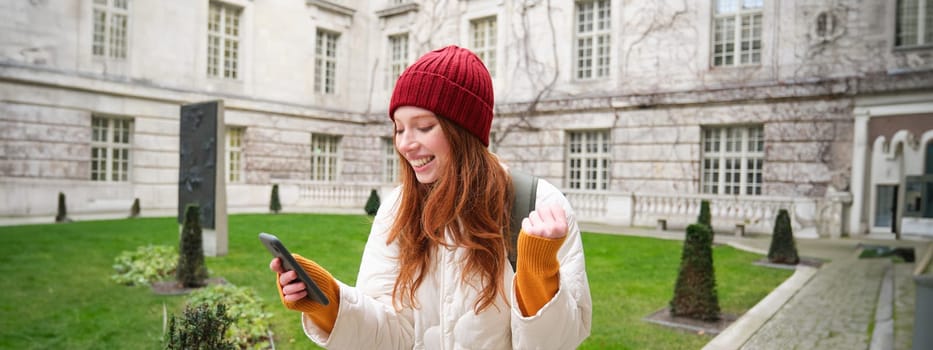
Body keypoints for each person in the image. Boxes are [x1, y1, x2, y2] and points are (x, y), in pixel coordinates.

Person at [269, 45, 591, 349]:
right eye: (399, 128)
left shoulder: (540, 205)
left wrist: (538, 275)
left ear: (464, 131)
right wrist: (330, 304)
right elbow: (391, 336)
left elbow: (557, 343)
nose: (406, 144)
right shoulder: (397, 208)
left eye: (423, 127)